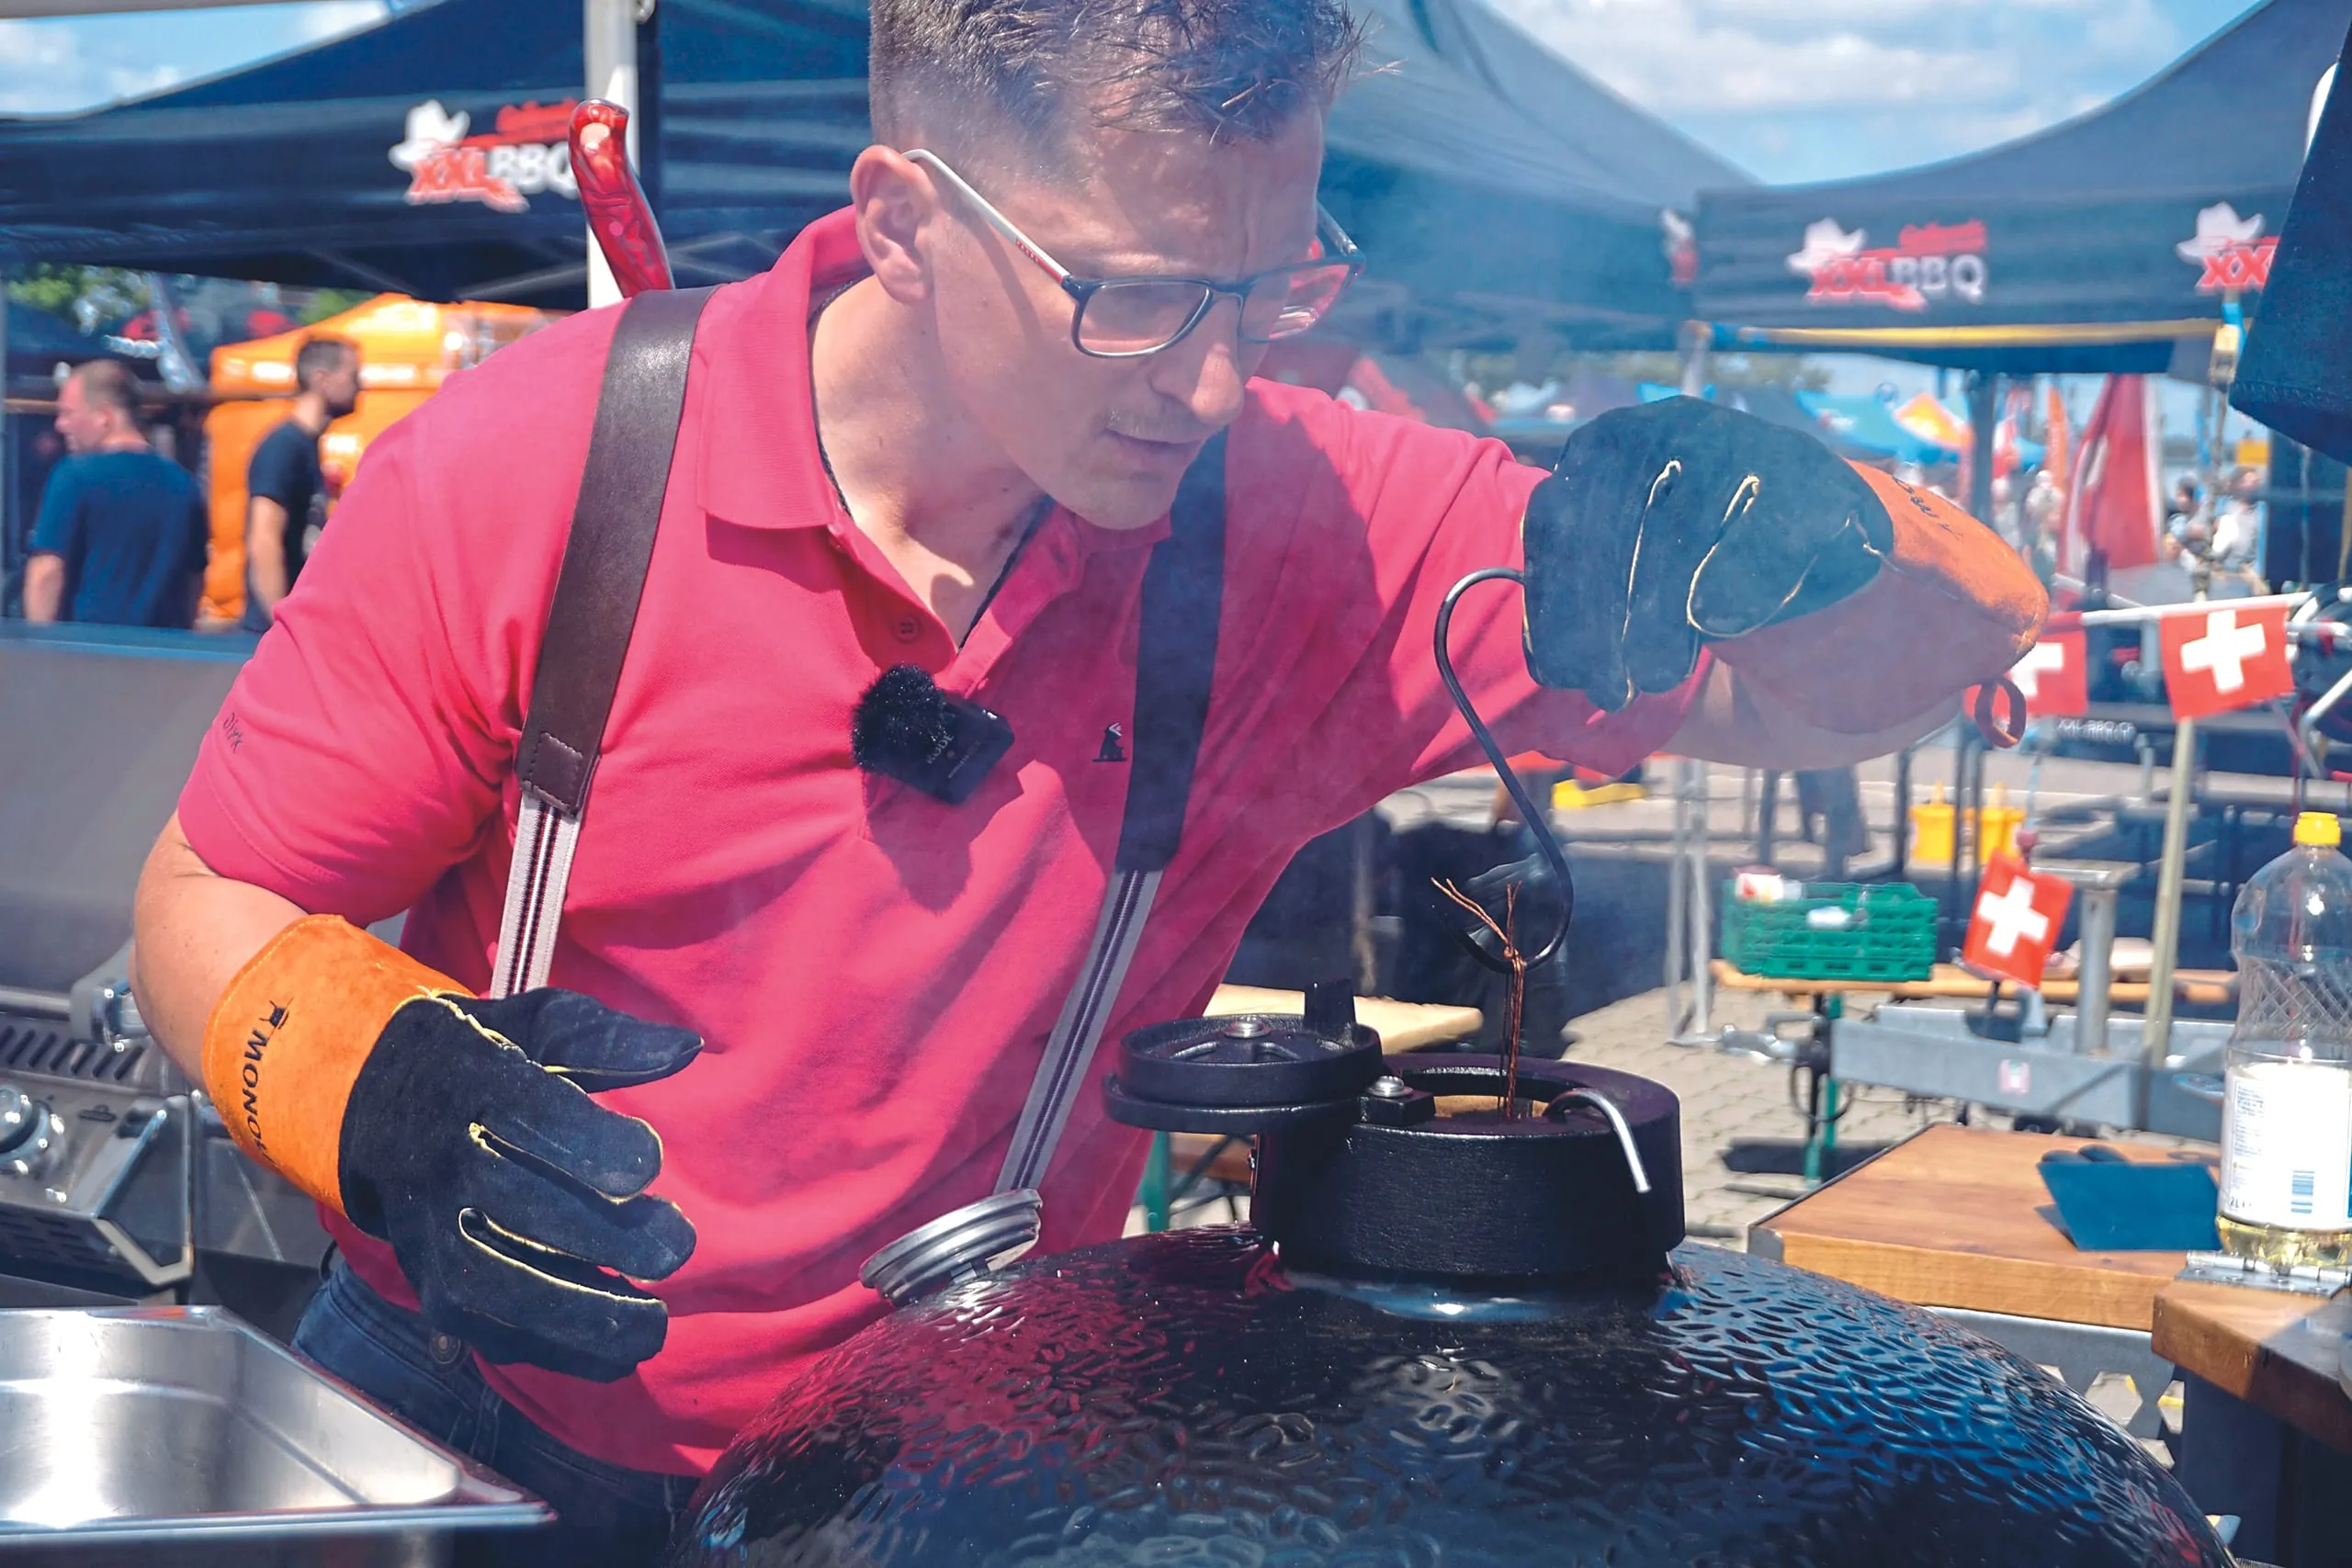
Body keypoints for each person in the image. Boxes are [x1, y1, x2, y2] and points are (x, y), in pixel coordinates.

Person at [130, 5, 2045, 1562]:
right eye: (1129, 292)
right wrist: (364, 1073)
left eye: (1265, 288)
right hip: (453, 1407)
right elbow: (208, 893)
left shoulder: (1309, 519)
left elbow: (1840, 694)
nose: (1204, 383)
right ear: (903, 220)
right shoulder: (542, 466)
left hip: (947, 1456)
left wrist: (1829, 529)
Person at [21, 359, 209, 628]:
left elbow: (47, 571)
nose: (60, 425)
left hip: (86, 647)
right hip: (163, 650)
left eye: (68, 413)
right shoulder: (185, 487)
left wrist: (39, 644)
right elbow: (193, 582)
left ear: (105, 416)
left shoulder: (74, 476)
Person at [240, 333, 360, 631]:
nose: (361, 386)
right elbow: (263, 539)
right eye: (353, 375)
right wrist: (280, 625)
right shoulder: (284, 446)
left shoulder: (306, 446)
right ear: (321, 379)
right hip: (267, 633)